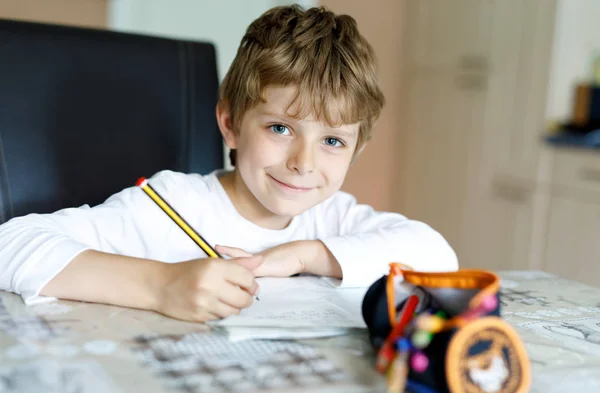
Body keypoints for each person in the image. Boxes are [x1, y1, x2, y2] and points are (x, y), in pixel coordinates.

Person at [0, 5, 458, 322]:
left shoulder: (330, 219)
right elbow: (10, 244)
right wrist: (161, 286)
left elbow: (438, 255)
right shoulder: (171, 203)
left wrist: (302, 255)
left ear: (355, 150)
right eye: (280, 128)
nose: (304, 163)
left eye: (333, 140)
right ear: (231, 124)